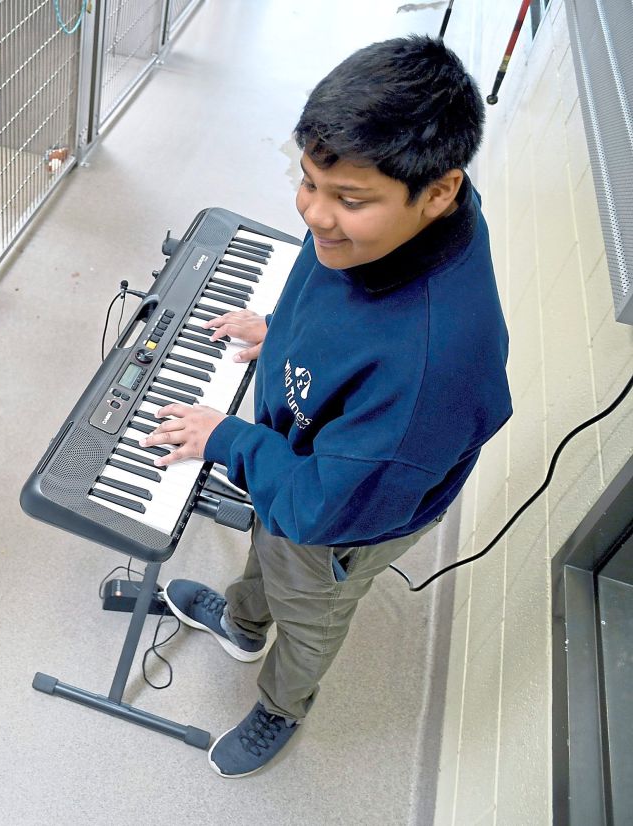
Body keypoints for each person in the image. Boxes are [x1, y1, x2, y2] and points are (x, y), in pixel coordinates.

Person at [141, 35, 512, 778]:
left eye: (348, 200)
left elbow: (313, 508)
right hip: (310, 457)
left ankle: (284, 703)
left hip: (346, 514)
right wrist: (283, 332)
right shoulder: (393, 217)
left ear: (438, 190)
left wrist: (228, 440)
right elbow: (339, 299)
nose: (314, 215)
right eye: (308, 181)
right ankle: (244, 625)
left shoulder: (429, 371)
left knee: (308, 606)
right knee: (265, 540)